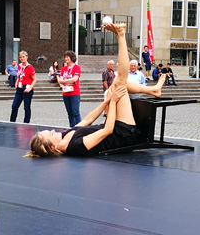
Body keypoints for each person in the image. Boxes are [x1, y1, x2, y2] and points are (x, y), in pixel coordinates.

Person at [27, 23, 166, 158]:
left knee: (116, 85)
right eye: (51, 134)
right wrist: (112, 102)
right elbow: (107, 131)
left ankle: (154, 90)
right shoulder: (75, 146)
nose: (53, 130)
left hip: (115, 127)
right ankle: (121, 35)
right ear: (53, 147)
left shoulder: (64, 136)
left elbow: (88, 119)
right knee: (120, 81)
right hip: (123, 134)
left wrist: (106, 101)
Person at [10, 51, 36, 123]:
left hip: (27, 88)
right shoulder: (19, 66)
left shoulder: (30, 67)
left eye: (23, 57)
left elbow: (34, 79)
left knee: (26, 107)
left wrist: (30, 88)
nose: (22, 58)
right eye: (20, 57)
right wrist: (16, 81)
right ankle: (12, 122)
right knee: (14, 106)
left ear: (26, 57)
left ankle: (26, 123)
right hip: (19, 88)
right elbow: (19, 76)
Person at [58, 51, 81, 127]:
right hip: (65, 93)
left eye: (67, 57)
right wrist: (69, 82)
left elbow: (75, 79)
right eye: (65, 57)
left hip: (74, 93)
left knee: (76, 112)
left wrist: (65, 81)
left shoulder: (77, 68)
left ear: (72, 58)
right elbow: (60, 80)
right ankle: (71, 127)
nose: (66, 59)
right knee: (70, 113)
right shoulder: (63, 69)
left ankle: (79, 128)